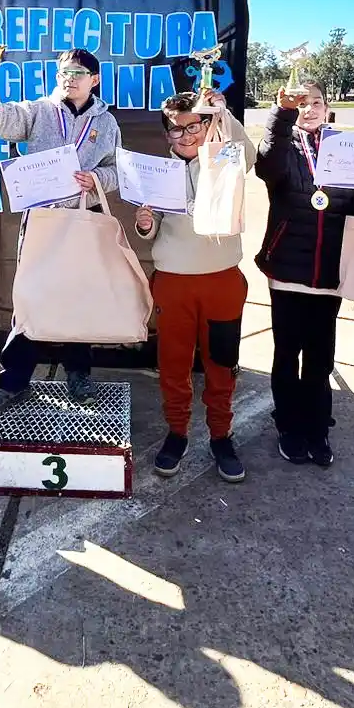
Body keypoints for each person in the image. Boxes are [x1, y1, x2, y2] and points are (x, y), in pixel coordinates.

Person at [0, 49, 121, 412]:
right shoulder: (38, 110)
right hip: (41, 220)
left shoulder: (108, 123)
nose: (71, 78)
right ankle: (14, 380)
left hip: (83, 220)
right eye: (64, 72)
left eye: (79, 72)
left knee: (78, 297)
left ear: (95, 80)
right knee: (30, 297)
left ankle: (78, 374)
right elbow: (4, 121)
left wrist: (97, 177)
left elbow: (118, 170)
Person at [135, 89, 256, 482]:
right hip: (173, 282)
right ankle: (178, 432)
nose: (186, 136)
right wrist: (146, 223)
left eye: (193, 126)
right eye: (175, 130)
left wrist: (223, 114)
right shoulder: (156, 173)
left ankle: (221, 435)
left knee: (221, 364)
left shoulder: (224, 158)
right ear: (166, 133)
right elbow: (149, 234)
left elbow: (249, 155)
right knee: (174, 364)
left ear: (206, 125)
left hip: (221, 280)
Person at [255, 81, 354, 467]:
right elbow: (267, 167)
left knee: (321, 357)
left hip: (330, 271)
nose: (310, 108)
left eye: (316, 102)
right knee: (288, 353)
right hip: (288, 267)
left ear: (327, 106)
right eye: (301, 104)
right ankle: (288, 426)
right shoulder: (282, 145)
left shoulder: (350, 149)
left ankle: (317, 428)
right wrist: (282, 115)